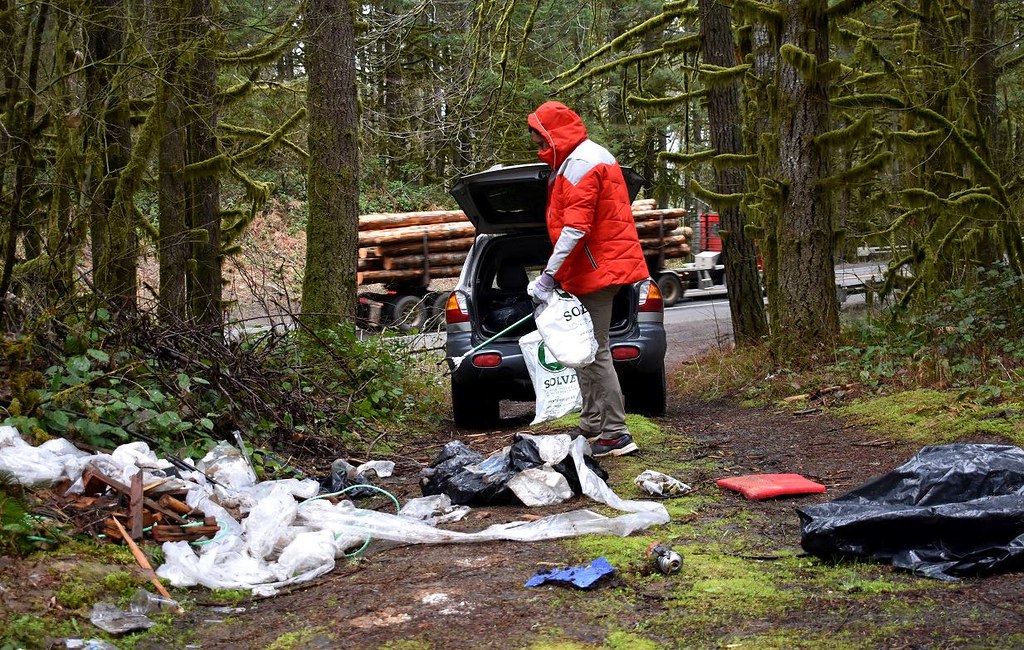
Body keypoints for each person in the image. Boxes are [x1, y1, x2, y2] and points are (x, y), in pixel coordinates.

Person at [525, 100, 650, 457]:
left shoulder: (580, 164)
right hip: (593, 268)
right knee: (584, 349)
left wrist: (548, 276)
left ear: (554, 134)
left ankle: (616, 433)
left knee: (595, 352)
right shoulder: (579, 158)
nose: (539, 150)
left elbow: (575, 229)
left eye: (540, 141)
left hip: (599, 269)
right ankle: (592, 423)